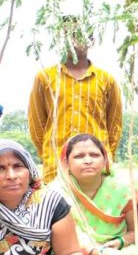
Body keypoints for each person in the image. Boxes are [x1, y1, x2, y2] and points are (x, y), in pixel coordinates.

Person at [29, 16, 122, 183]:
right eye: (69, 34)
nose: (75, 38)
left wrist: (101, 157)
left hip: (95, 169)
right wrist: (50, 155)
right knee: (57, 209)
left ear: (92, 40)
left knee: (97, 209)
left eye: (81, 33)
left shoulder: (106, 80)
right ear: (60, 39)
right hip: (56, 168)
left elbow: (114, 127)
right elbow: (37, 127)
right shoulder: (44, 78)